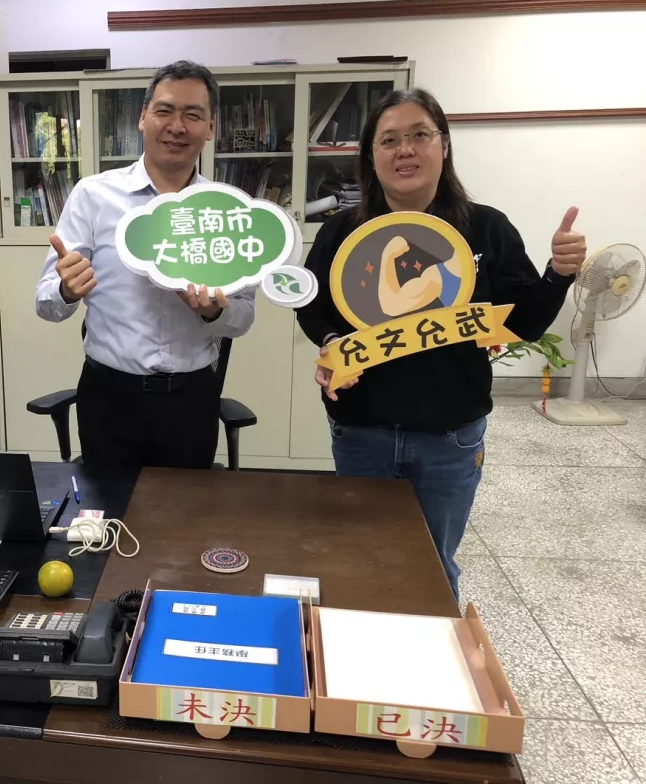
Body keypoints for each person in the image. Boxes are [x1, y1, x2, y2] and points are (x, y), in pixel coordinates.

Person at [296, 88, 586, 598]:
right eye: (389, 140)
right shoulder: (341, 231)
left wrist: (558, 274)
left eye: (419, 135)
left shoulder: (486, 227)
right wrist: (333, 341)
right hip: (362, 429)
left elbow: (523, 322)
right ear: (371, 155)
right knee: (363, 564)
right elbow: (312, 304)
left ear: (444, 146)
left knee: (432, 568)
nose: (404, 150)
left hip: (450, 435)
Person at [35, 61, 255, 471]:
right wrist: (65, 290)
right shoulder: (93, 196)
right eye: (164, 111)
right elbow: (45, 304)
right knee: (109, 508)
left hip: (191, 401)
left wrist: (215, 313)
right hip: (109, 397)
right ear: (142, 118)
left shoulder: (225, 211)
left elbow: (243, 318)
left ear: (211, 128)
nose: (177, 126)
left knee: (184, 509)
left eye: (193, 115)